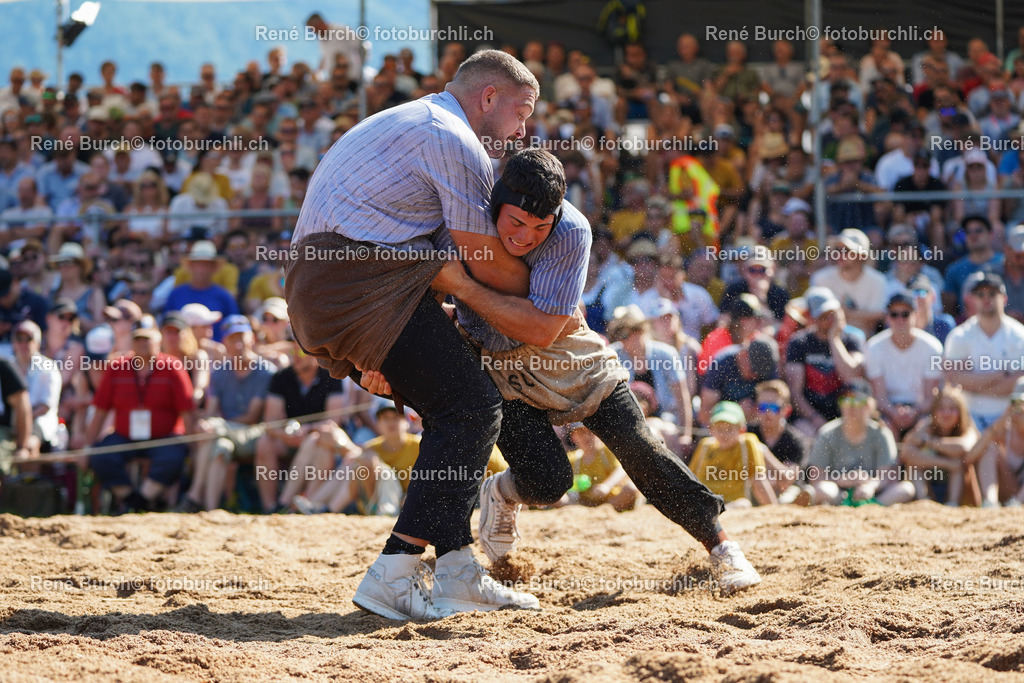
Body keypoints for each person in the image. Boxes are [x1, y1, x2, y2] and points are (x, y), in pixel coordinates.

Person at [407, 148, 761, 596]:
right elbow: (420, 294)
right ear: (495, 205)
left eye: (540, 227)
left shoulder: (572, 230)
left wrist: (462, 288)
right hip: (500, 371)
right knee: (548, 482)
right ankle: (499, 495)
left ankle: (721, 546)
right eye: (516, 223)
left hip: (570, 357)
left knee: (641, 448)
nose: (525, 237)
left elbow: (540, 329)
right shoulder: (463, 222)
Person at [285, 50, 547, 620]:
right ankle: (396, 569)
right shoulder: (454, 139)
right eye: (522, 112)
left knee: (452, 409)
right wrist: (553, 293)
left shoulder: (416, 119)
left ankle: (457, 570)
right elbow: (481, 261)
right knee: (471, 407)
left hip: (333, 285)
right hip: (358, 283)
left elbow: (432, 249)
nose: (523, 131)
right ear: (489, 97)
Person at [76, 326, 196, 513]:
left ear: (158, 343)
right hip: (125, 436)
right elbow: (100, 411)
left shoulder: (173, 367)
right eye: (138, 340)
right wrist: (87, 446)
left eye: (147, 340)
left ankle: (143, 499)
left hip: (163, 437)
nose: (142, 344)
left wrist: (192, 447)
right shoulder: (117, 367)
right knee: (102, 455)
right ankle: (133, 500)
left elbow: (187, 412)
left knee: (174, 456)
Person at [943, 271, 1024, 506]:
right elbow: (954, 379)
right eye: (980, 294)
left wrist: (974, 382)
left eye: (992, 294)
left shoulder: (1019, 335)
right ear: (972, 299)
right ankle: (988, 503)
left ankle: (1010, 501)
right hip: (970, 418)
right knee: (976, 450)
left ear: (1004, 298)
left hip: (1011, 418)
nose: (986, 299)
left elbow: (1019, 384)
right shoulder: (960, 335)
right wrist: (1001, 374)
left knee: (991, 446)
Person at [177, 316, 273, 512]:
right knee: (220, 448)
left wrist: (215, 425)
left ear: (252, 339)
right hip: (223, 434)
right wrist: (206, 423)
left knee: (212, 432)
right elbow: (211, 410)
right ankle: (211, 510)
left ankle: (194, 494)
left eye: (241, 338)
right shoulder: (219, 373)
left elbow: (251, 417)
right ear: (225, 343)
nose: (238, 344)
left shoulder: (266, 372)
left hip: (255, 435)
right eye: (232, 339)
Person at [798, 380, 915, 506]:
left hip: (873, 494)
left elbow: (888, 476)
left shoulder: (882, 433)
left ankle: (872, 506)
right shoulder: (827, 433)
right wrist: (842, 480)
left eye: (857, 401)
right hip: (839, 494)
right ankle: (856, 506)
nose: (851, 407)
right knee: (822, 489)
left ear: (869, 406)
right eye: (845, 401)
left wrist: (870, 486)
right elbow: (815, 478)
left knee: (907, 489)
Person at [784, 287, 865, 436]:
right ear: (812, 318)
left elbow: (852, 377)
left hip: (846, 412)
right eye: (823, 316)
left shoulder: (852, 340)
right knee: (804, 431)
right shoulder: (798, 343)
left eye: (832, 313)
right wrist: (815, 418)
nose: (829, 320)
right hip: (810, 416)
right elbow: (795, 393)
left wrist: (834, 339)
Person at [864, 293, 944, 438]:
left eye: (905, 314)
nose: (900, 319)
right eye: (894, 314)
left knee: (924, 430)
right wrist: (894, 413)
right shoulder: (874, 347)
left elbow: (930, 398)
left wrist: (914, 412)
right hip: (887, 411)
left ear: (915, 315)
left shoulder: (932, 347)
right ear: (887, 318)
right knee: (884, 430)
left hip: (921, 411)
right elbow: (879, 397)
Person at [689, 401, 777, 509]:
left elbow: (758, 479)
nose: (724, 434)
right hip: (706, 502)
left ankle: (720, 511)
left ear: (741, 430)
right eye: (719, 429)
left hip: (734, 503)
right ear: (711, 430)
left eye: (729, 429)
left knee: (743, 504)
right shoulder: (705, 445)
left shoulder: (747, 444)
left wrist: (773, 509)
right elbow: (691, 478)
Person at [901, 385, 979, 506]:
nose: (946, 414)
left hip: (961, 488)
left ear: (961, 412)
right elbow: (906, 453)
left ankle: (953, 503)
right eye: (941, 408)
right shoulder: (926, 426)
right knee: (913, 465)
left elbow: (964, 447)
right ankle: (924, 501)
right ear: (934, 412)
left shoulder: (967, 427)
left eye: (952, 409)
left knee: (959, 458)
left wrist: (929, 442)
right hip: (932, 482)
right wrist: (948, 464)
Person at [557, 423, 640, 511]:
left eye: (589, 432)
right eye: (581, 433)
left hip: (611, 499)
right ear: (573, 437)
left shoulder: (606, 451)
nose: (586, 436)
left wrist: (606, 486)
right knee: (556, 495)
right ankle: (582, 510)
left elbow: (621, 470)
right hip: (583, 502)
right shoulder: (573, 458)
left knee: (631, 489)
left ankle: (604, 509)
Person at [10, 320, 61, 453]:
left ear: (37, 343)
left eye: (28, 339)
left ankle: (31, 468)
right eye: (19, 339)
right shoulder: (7, 367)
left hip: (39, 421)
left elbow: (46, 406)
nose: (23, 344)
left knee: (29, 446)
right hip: (10, 420)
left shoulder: (48, 367)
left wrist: (23, 420)